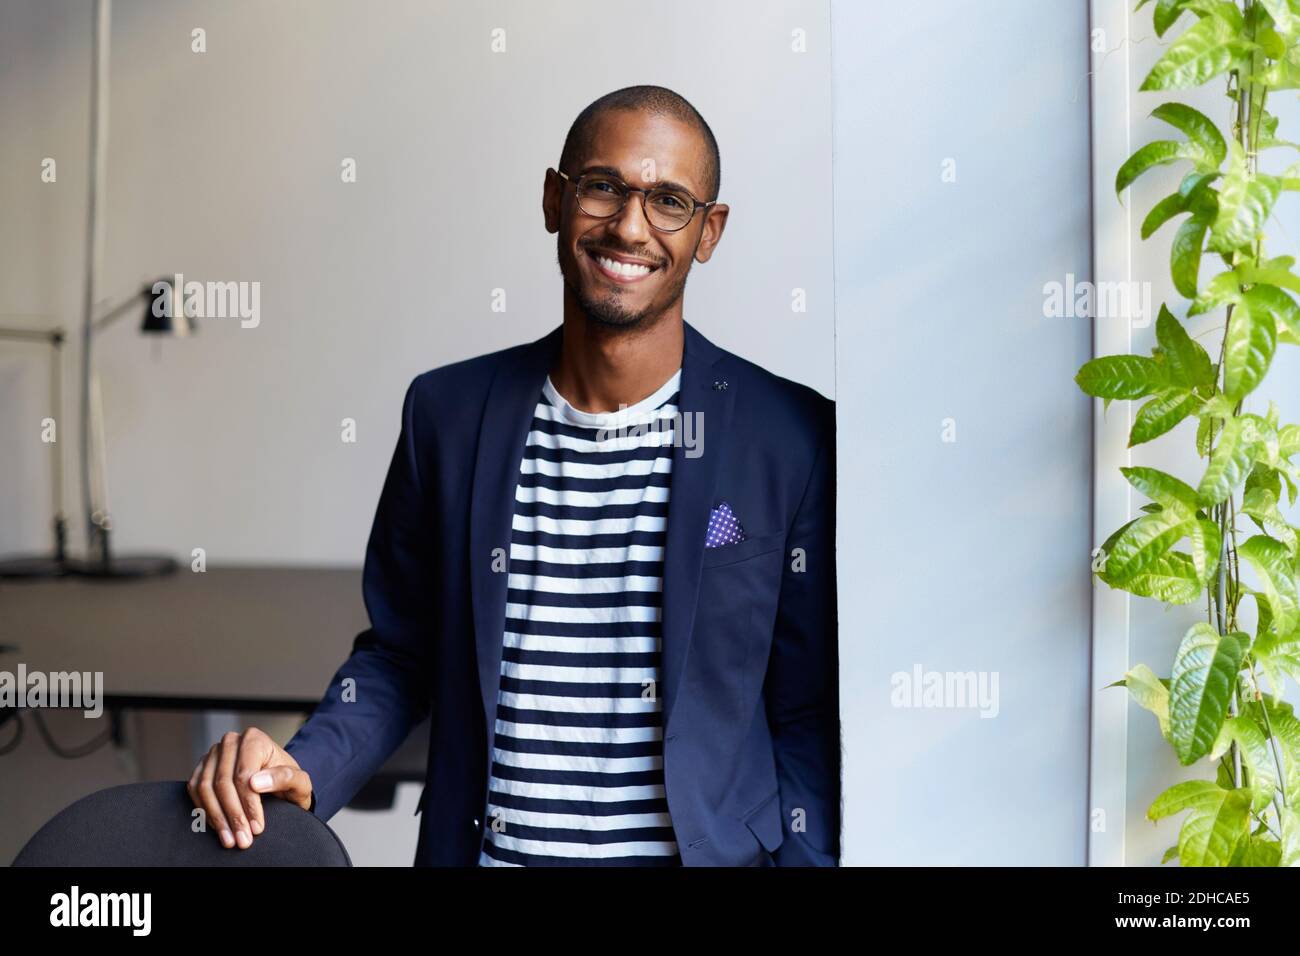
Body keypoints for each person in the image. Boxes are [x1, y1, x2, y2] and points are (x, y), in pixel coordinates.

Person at [187, 84, 839, 866]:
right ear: (554, 199)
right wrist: (306, 766)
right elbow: (400, 655)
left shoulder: (790, 436)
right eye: (603, 187)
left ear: (709, 232)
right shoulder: (449, 414)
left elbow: (806, 711)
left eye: (669, 200)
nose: (630, 226)